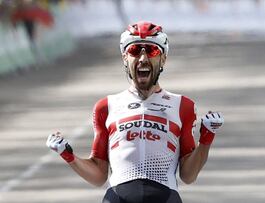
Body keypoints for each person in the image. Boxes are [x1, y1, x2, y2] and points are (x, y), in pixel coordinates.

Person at [46, 21, 224, 203]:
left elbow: (189, 175)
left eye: (152, 51)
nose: (143, 58)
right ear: (125, 58)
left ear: (163, 59)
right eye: (135, 50)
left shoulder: (183, 106)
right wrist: (68, 155)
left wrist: (206, 139)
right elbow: (98, 176)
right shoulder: (106, 106)